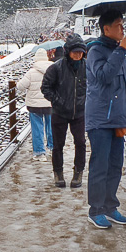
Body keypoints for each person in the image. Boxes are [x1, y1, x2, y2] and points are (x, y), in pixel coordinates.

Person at [84, 9, 126, 229]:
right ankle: (96, 210)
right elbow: (104, 76)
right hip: (100, 119)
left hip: (116, 119)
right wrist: (121, 51)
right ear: (106, 29)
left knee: (115, 166)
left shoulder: (118, 51)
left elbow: (125, 90)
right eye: (118, 25)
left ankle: (110, 206)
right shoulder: (96, 50)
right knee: (100, 165)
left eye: (123, 24)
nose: (123, 29)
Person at [41, 33, 87, 188]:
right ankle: (58, 172)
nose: (78, 55)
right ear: (68, 51)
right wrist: (57, 101)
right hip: (60, 112)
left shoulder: (87, 68)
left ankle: (78, 171)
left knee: (80, 142)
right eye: (75, 51)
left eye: (80, 52)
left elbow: (94, 87)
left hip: (79, 112)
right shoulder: (56, 68)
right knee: (58, 145)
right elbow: (46, 88)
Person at [15, 48, 54, 161]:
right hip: (50, 103)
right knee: (51, 126)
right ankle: (53, 148)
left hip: (35, 105)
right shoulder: (53, 70)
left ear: (36, 59)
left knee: (37, 127)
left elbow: (20, 86)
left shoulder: (31, 72)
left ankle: (40, 153)